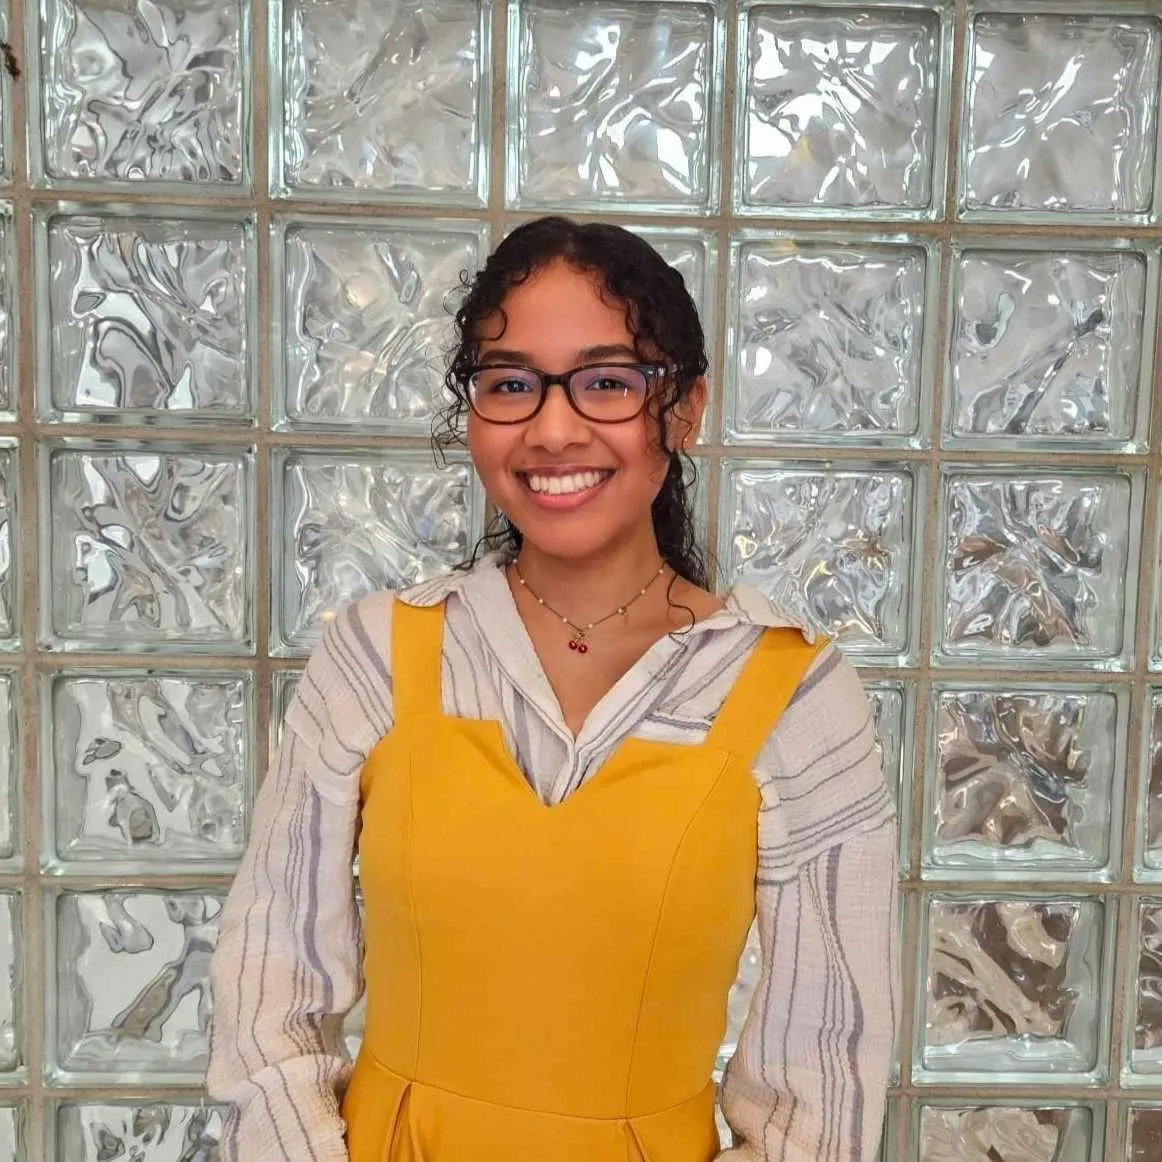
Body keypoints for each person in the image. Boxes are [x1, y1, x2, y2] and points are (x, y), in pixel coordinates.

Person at [206, 216, 899, 1162]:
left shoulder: (791, 694)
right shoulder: (379, 656)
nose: (554, 428)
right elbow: (267, 994)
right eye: (511, 384)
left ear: (684, 408)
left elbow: (827, 1077)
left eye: (607, 382)